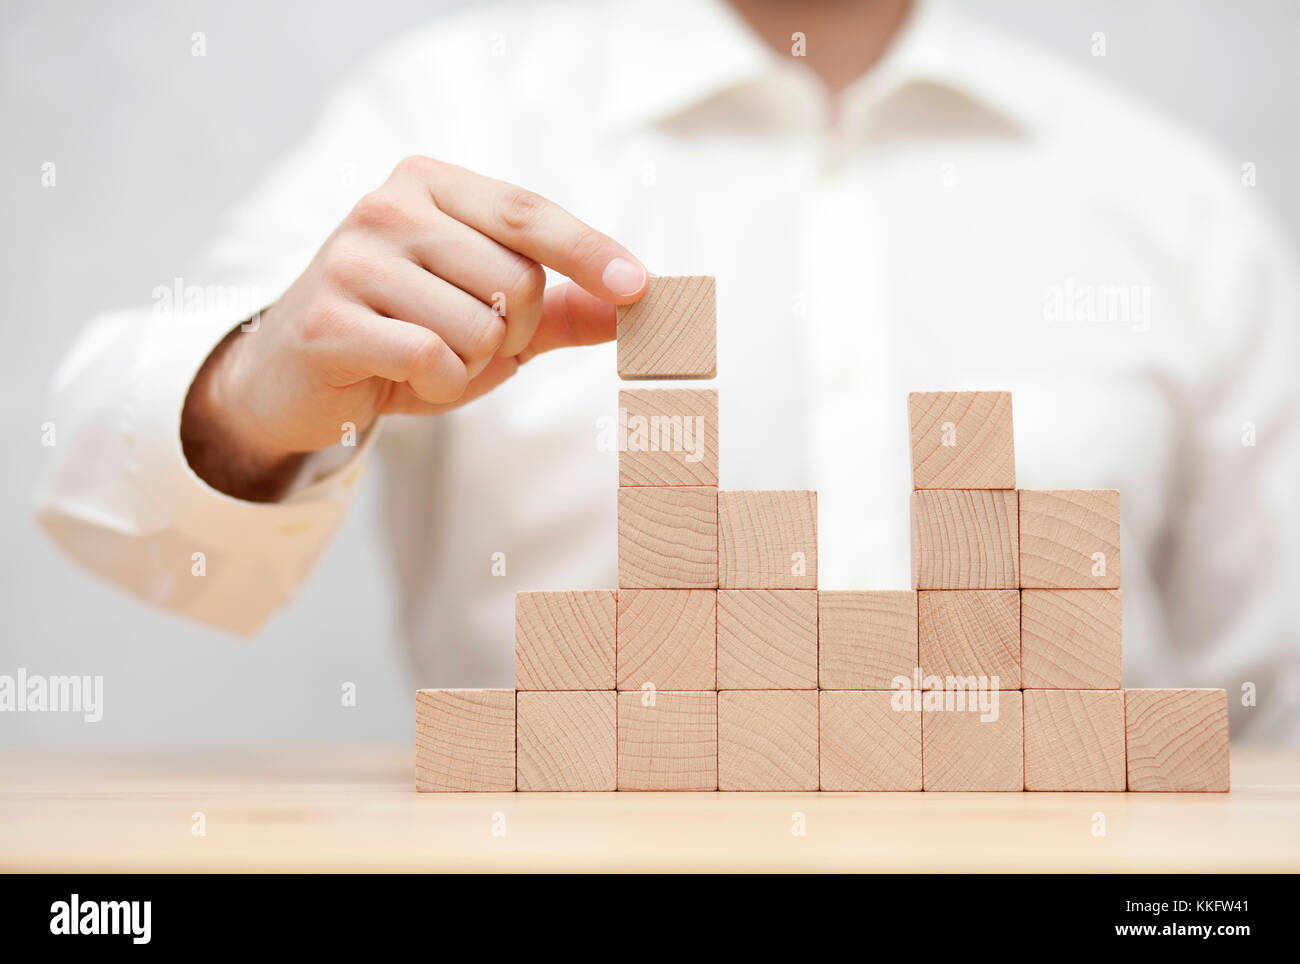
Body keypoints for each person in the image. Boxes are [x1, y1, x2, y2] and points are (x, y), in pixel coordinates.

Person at [37, 0, 1300, 741]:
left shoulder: (1170, 199)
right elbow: (115, 496)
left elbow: (1269, 694)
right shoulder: (454, 107)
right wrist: (257, 387)